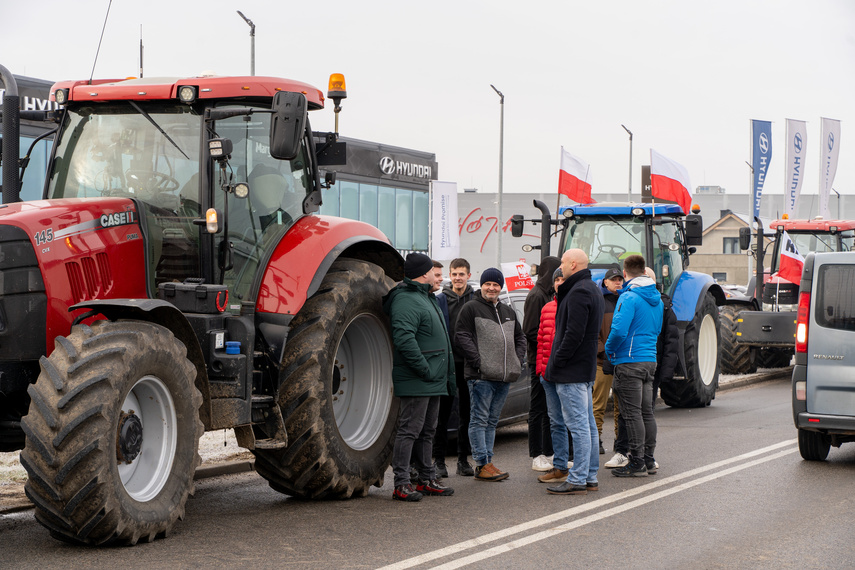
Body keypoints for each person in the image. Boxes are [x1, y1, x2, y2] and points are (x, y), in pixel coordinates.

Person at [383, 252, 456, 501]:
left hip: (433, 378)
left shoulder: (425, 298)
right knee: (409, 430)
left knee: (428, 431)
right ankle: (401, 483)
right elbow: (404, 339)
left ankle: (427, 478)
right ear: (424, 273)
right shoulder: (405, 299)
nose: (437, 276)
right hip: (420, 377)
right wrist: (425, 369)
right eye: (433, 272)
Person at [455, 267, 526, 481]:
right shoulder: (471, 308)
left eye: (496, 285)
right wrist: (479, 361)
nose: (492, 288)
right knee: (479, 420)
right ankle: (482, 463)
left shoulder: (508, 312)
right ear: (482, 286)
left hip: (504, 377)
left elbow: (520, 337)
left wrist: (517, 358)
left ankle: (488, 462)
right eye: (488, 284)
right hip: (481, 377)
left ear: (500, 287)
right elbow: (461, 336)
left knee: (492, 421)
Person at [543, 249, 604, 495]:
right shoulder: (592, 289)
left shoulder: (578, 291)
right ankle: (589, 476)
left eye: (563, 264)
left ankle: (578, 478)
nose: (560, 268)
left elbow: (573, 335)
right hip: (583, 370)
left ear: (573, 264)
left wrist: (556, 361)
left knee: (578, 427)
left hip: (572, 372)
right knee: (587, 426)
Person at [605, 255, 663, 477]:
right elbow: (657, 329)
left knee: (632, 414)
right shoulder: (656, 298)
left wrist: (610, 350)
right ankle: (649, 459)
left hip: (629, 361)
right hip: (649, 360)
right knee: (647, 412)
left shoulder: (629, 297)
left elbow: (618, 330)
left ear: (625, 272)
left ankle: (637, 461)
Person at [535, 267, 575, 485]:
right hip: (548, 374)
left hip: (569, 375)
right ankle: (560, 466)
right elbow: (541, 341)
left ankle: (579, 465)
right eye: (557, 279)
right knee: (556, 422)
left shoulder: (574, 304)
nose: (560, 282)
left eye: (563, 278)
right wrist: (541, 370)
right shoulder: (547, 308)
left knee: (576, 422)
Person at [522, 256, 562, 472]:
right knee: (538, 408)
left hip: (550, 359)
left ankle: (549, 451)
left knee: (550, 409)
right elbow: (529, 330)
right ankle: (537, 453)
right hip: (538, 359)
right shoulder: (537, 295)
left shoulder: (550, 294)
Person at [441, 258, 477, 476]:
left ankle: (463, 460)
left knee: (467, 414)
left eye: (461, 274)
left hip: (469, 366)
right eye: (454, 274)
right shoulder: (440, 300)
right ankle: (438, 462)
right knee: (442, 415)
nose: (457, 278)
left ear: (468, 275)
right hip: (447, 365)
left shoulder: (476, 300)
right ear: (450, 275)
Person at [430, 260, 454, 478]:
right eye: (436, 275)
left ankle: (438, 462)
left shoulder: (440, 301)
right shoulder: (431, 302)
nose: (441, 279)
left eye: (440, 275)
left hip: (446, 372)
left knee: (441, 421)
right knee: (423, 425)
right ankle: (420, 467)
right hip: (428, 373)